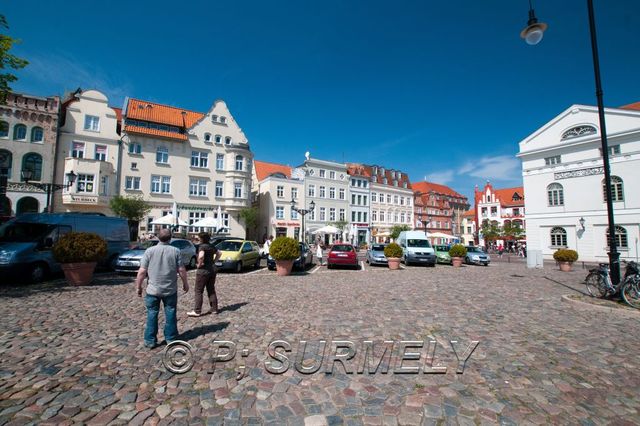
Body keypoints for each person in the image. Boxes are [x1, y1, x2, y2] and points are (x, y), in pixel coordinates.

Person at [135, 228, 189, 349]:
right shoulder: (175, 251)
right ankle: (171, 338)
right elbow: (181, 269)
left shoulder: (150, 251)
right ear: (170, 238)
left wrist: (138, 287)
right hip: (170, 289)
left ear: (158, 237)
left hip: (153, 289)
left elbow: (142, 271)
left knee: (151, 314)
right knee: (170, 313)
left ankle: (150, 340)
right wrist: (185, 283)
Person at [188, 232, 222, 317]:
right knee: (211, 289)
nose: (198, 239)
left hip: (203, 271)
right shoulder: (211, 246)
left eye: (199, 238)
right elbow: (219, 253)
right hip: (212, 269)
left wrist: (199, 264)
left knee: (198, 290)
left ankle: (197, 310)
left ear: (202, 239)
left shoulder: (202, 246)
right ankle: (214, 309)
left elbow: (201, 256)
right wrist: (214, 261)